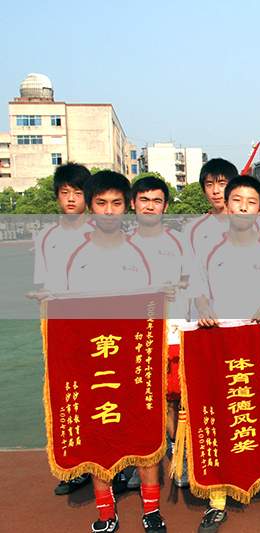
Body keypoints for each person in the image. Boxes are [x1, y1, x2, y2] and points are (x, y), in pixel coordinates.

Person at [64, 171, 166, 533]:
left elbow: (156, 301)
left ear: (127, 207)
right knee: (99, 436)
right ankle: (106, 513)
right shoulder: (75, 253)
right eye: (101, 203)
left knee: (144, 434)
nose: (109, 211)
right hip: (94, 360)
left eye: (116, 204)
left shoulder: (143, 249)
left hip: (134, 359)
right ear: (91, 207)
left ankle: (151, 510)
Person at [193, 176, 260, 533]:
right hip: (221, 343)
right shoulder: (208, 247)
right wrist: (203, 306)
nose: (243, 207)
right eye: (237, 200)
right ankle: (217, 500)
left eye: (251, 202)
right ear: (227, 203)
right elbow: (197, 289)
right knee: (222, 412)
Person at [127, 176, 197, 489]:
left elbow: (195, 283)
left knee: (175, 400)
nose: (150, 206)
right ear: (133, 204)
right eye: (144, 200)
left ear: (165, 206)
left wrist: (179, 286)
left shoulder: (180, 243)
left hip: (173, 332)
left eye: (156, 201)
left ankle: (180, 455)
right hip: (137, 337)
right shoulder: (121, 244)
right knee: (140, 403)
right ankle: (140, 461)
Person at [31, 162, 94, 495]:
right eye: (65, 192)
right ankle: (76, 467)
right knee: (70, 397)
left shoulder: (102, 233)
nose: (71, 199)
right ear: (57, 196)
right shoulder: (47, 237)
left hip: (99, 327)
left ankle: (118, 465)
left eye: (78, 193)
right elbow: (44, 284)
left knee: (106, 395)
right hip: (64, 329)